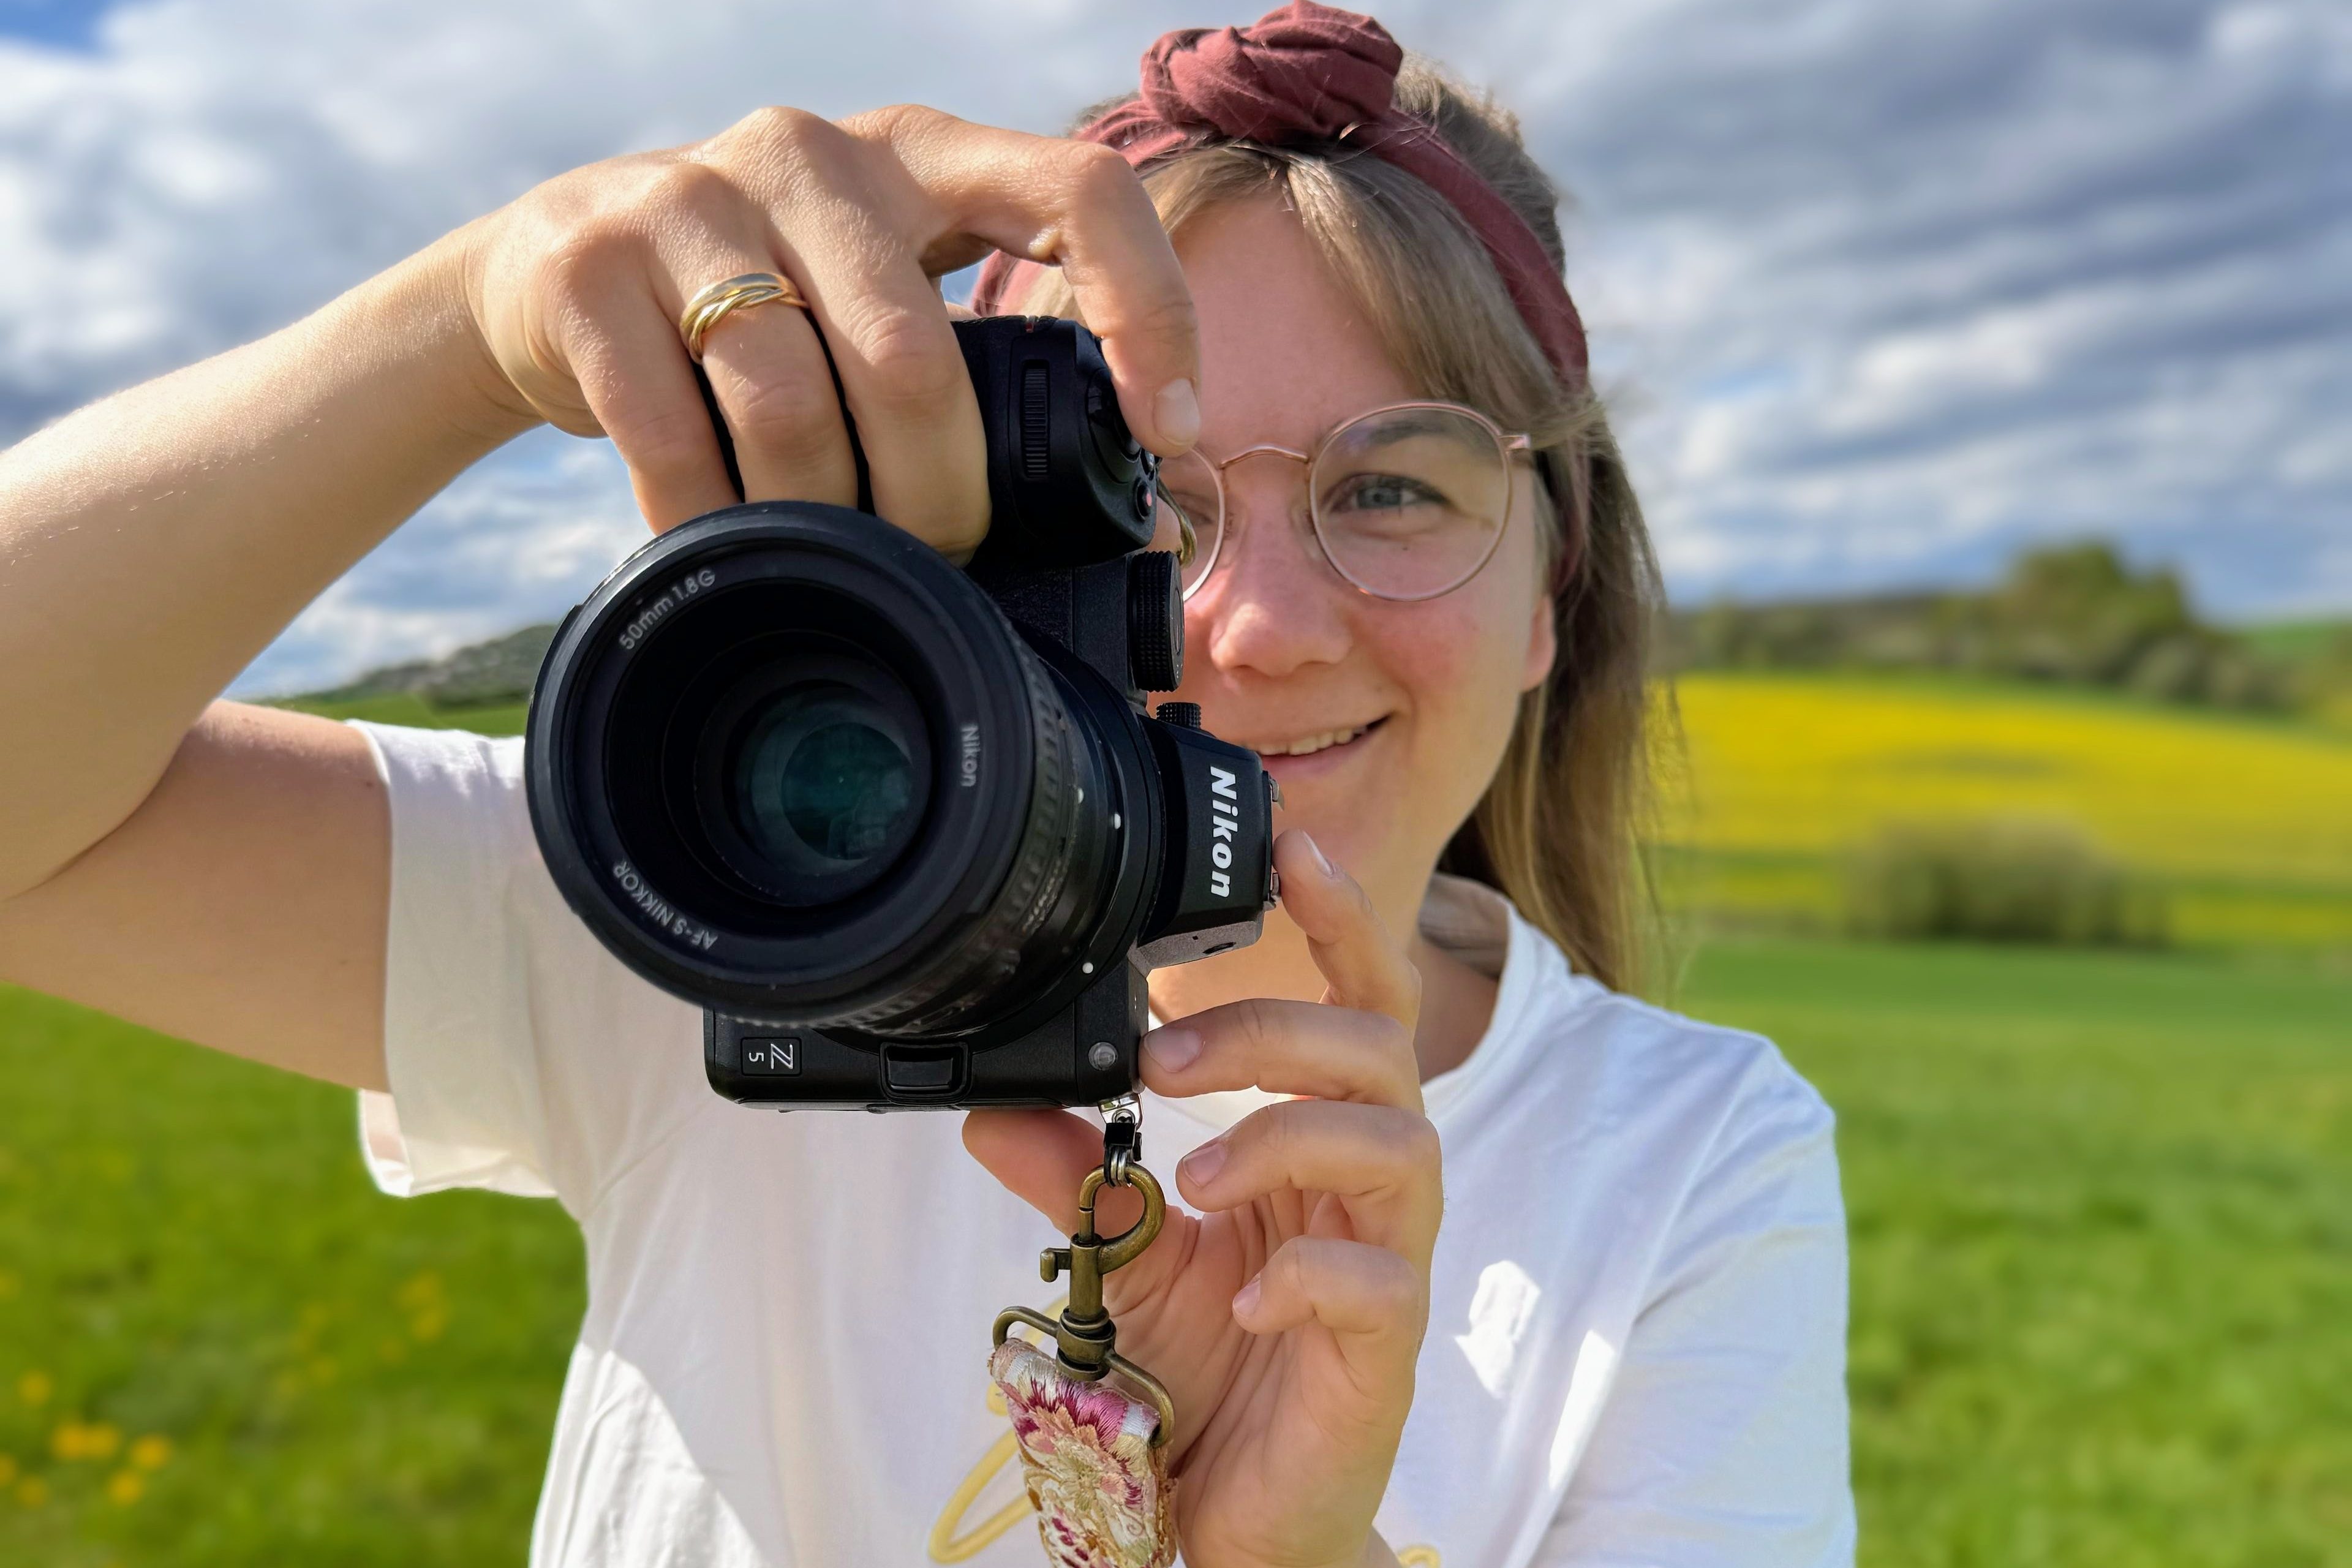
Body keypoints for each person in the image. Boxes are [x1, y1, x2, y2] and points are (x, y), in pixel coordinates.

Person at [0, 4, 1852, 1564]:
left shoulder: (1683, 1165)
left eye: (1395, 487)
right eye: (1149, 498)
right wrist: (476, 320)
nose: (1259, 625)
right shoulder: (724, 904)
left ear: (1558, 593)